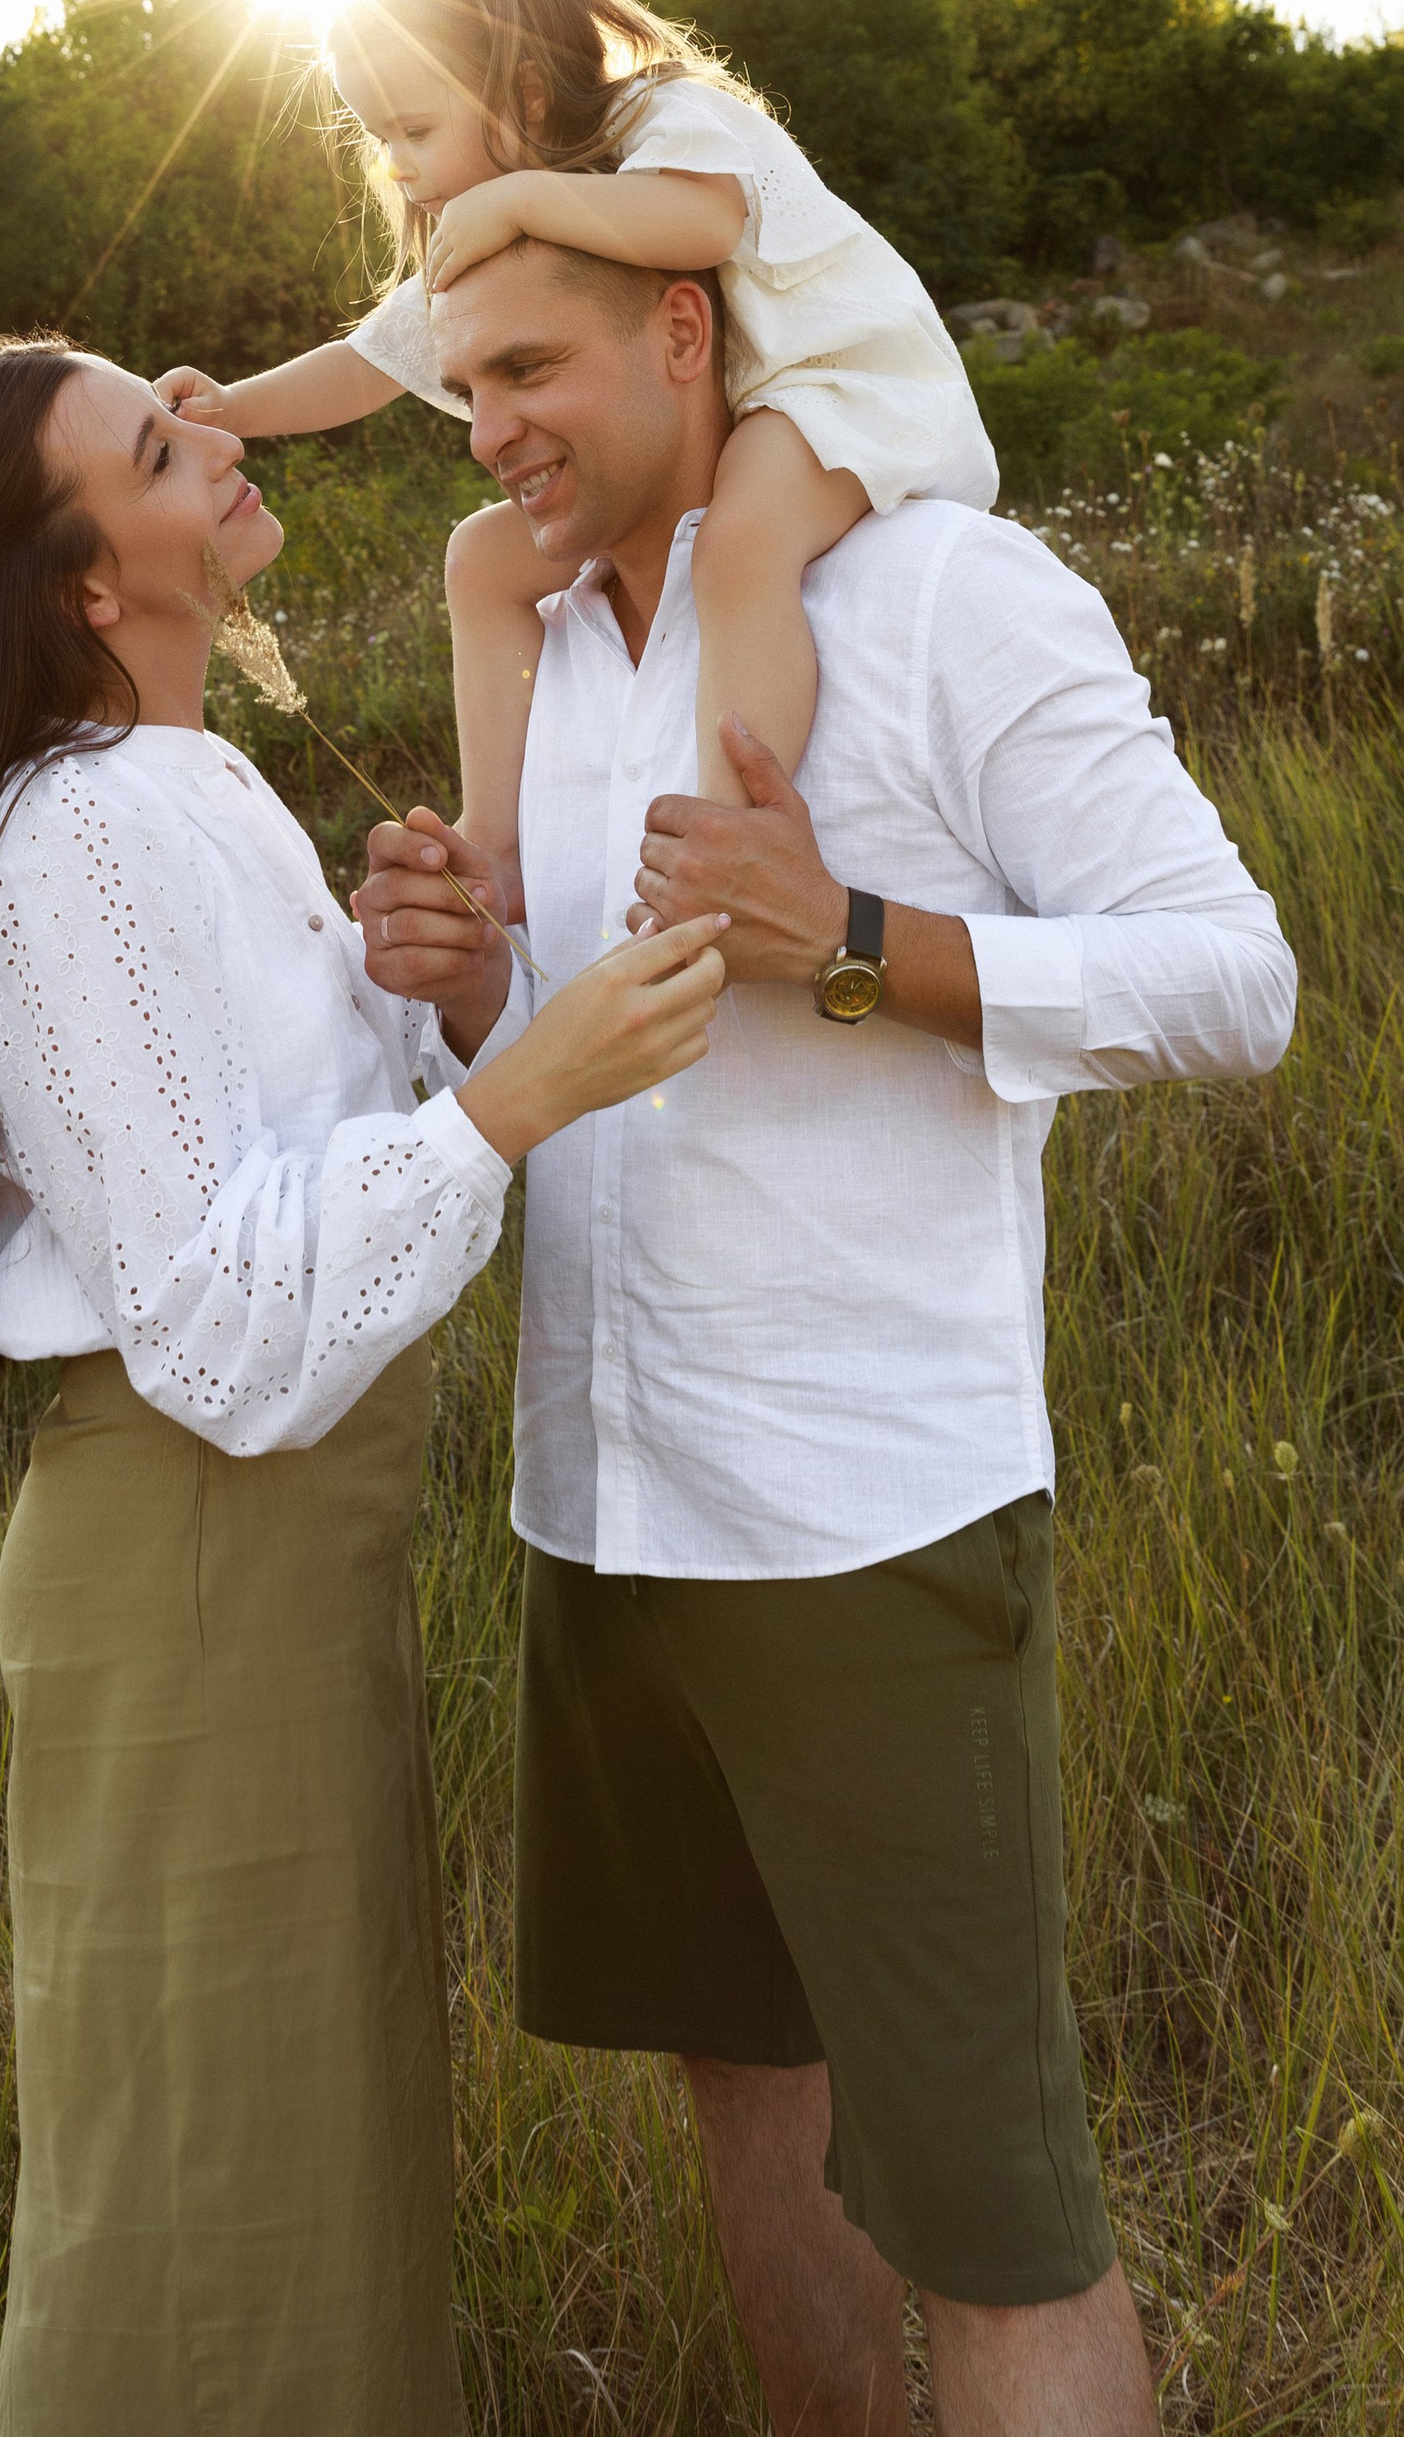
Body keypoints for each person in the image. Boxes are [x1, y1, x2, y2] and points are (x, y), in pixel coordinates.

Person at [353, 239, 1299, 2437]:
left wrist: (851, 939)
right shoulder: (549, 643)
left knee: (989, 2206)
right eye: (453, 383)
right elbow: (594, 1060)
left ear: (682, 332)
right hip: (602, 1499)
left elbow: (1228, 978)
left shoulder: (943, 595)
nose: (486, 426)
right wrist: (462, 991)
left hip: (861, 1516)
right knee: (739, 2076)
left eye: (525, 365)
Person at [0, 330, 730, 2437]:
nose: (214, 434)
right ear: (85, 583)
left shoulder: (180, 781)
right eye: (159, 446)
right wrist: (510, 1099)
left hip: (261, 1563)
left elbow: (266, 1185)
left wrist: (411, 1003)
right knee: (205, 2214)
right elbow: (221, 1330)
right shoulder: (70, 835)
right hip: (199, 1554)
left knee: (292, 2172)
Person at [156, 0, 994, 916]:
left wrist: (518, 200)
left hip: (841, 385)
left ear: (526, 91)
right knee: (482, 559)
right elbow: (370, 359)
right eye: (377, 139)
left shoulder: (660, 114)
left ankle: (727, 839)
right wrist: (234, 404)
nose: (397, 165)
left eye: (414, 129)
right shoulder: (513, 229)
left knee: (740, 544)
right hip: (736, 423)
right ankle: (498, 842)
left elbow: (703, 218)